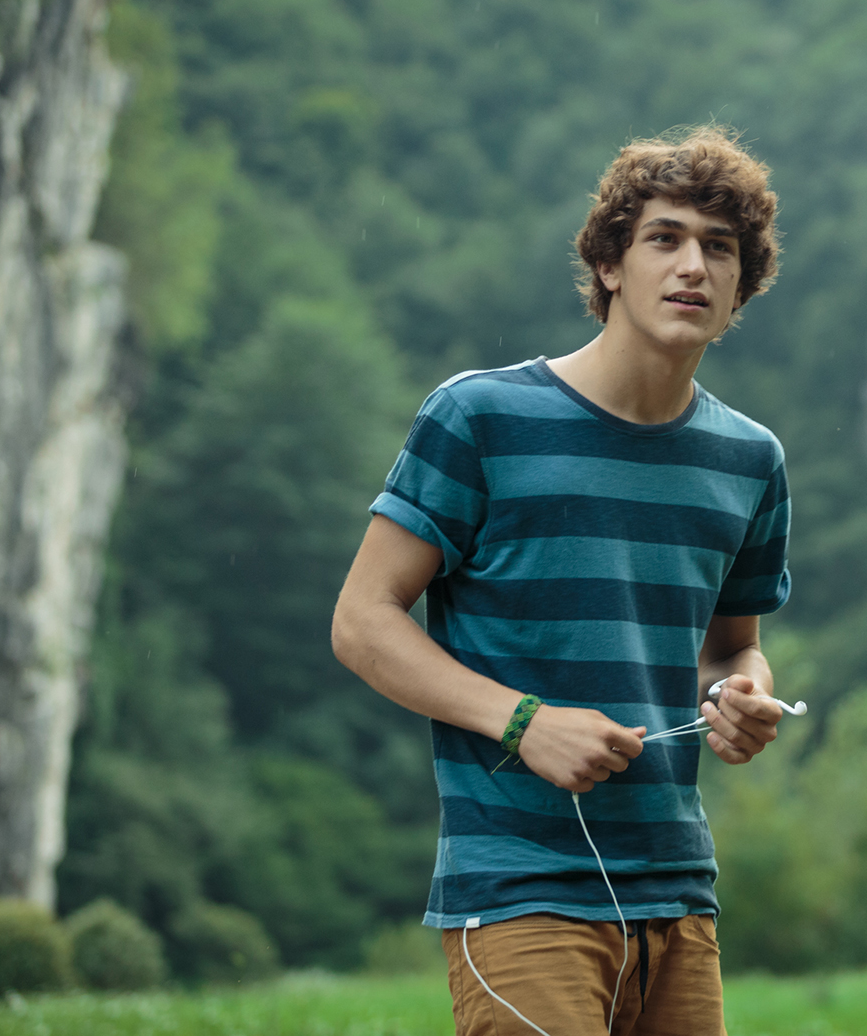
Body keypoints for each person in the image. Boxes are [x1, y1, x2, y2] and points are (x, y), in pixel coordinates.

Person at [332, 125, 791, 1036]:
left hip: (679, 897)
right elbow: (362, 621)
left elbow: (731, 648)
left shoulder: (750, 460)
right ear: (610, 264)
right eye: (664, 238)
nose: (692, 265)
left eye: (719, 248)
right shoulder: (480, 417)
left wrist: (742, 697)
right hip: (520, 893)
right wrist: (524, 722)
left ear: (741, 285)